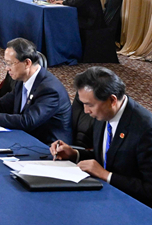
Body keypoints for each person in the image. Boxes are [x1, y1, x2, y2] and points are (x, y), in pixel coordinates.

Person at [50, 67, 152, 207]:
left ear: (112, 100)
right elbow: (108, 156)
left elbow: (149, 189)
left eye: (89, 105)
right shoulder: (104, 114)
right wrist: (75, 154)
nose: (85, 111)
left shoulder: (145, 129)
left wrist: (107, 175)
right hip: (103, 198)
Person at [47, 0, 115, 63]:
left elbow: (76, 3)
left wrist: (62, 2)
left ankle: (69, 53)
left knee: (66, 23)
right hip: (81, 15)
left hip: (91, 19)